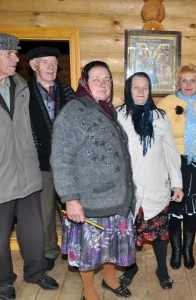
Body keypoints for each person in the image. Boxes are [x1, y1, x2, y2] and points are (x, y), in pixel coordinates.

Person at [50, 61, 135, 300]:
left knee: (112, 245)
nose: (103, 84)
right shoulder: (74, 111)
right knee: (90, 250)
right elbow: (61, 158)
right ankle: (89, 290)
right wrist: (70, 198)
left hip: (117, 196)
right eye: (96, 78)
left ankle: (109, 279)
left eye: (107, 79)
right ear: (85, 82)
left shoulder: (108, 110)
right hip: (90, 200)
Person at [0, 33, 59, 300]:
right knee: (0, 235)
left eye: (16, 53)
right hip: (1, 175)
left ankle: (36, 272)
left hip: (27, 171)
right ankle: (3, 280)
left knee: (33, 230)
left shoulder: (20, 85)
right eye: (10, 54)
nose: (16, 58)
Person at [117, 72, 184, 289]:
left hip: (156, 184)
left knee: (159, 233)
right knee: (129, 233)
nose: (140, 91)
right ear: (128, 89)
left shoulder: (159, 116)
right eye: (136, 87)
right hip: (129, 187)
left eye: (145, 87)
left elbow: (171, 152)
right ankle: (131, 267)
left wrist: (177, 183)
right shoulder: (118, 115)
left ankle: (162, 269)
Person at [157, 64, 196, 270]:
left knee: (191, 210)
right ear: (178, 82)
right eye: (184, 80)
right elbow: (158, 136)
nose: (188, 84)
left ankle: (188, 250)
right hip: (173, 161)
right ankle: (176, 251)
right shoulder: (166, 103)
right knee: (175, 209)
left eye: (193, 80)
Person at [27, 46, 75, 271]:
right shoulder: (24, 93)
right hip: (41, 163)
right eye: (45, 62)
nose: (51, 67)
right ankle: (49, 251)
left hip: (69, 164)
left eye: (54, 62)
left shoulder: (67, 92)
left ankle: (74, 249)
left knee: (71, 209)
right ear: (33, 65)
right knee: (45, 211)